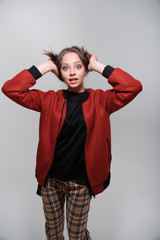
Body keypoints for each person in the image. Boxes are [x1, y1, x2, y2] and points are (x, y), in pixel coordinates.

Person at [1, 45, 142, 240]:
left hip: (81, 183)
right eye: (65, 68)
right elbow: (11, 88)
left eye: (78, 66)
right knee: (53, 233)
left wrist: (97, 65)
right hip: (50, 181)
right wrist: (47, 66)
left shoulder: (102, 101)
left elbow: (133, 87)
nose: (72, 72)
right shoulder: (48, 100)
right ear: (59, 72)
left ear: (85, 69)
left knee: (77, 235)